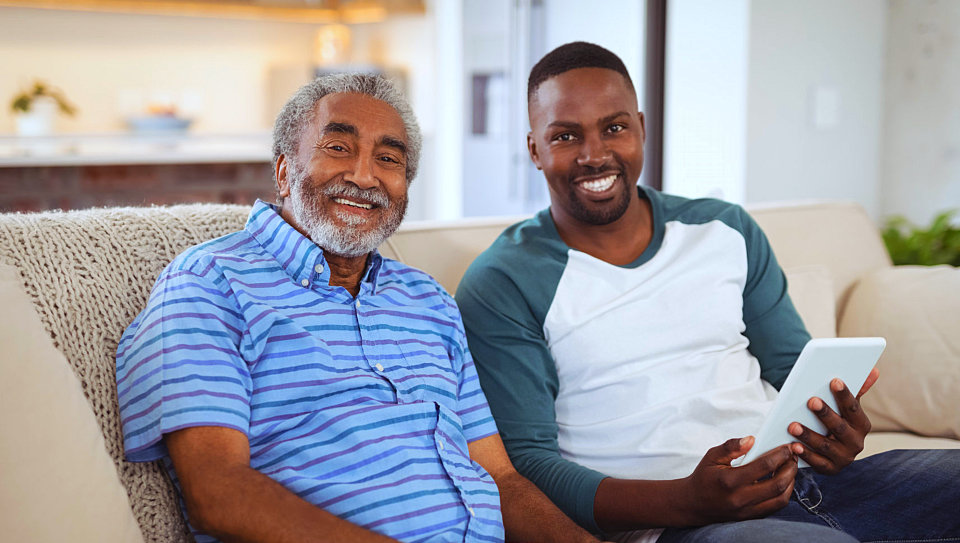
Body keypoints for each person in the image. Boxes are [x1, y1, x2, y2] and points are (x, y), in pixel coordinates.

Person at [455, 42, 960, 543]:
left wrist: (837, 433)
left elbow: (793, 371)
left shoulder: (725, 228)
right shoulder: (505, 280)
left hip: (810, 484)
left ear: (642, 129)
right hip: (677, 523)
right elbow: (527, 467)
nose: (595, 154)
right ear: (534, 150)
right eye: (565, 136)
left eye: (615, 127)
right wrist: (686, 501)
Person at [116, 73, 604, 543]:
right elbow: (217, 493)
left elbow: (498, 476)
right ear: (284, 172)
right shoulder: (210, 283)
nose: (365, 176)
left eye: (389, 159)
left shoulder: (427, 299)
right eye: (338, 148)